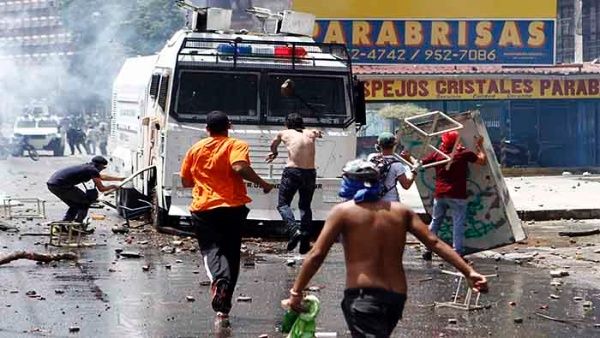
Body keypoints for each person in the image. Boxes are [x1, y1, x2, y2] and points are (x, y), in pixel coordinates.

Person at [283, 159, 489, 337]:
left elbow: (317, 254)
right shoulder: (401, 212)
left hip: (364, 297)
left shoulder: (343, 212)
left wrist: (296, 291)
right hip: (395, 298)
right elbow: (434, 243)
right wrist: (468, 271)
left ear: (351, 182)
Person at [180, 111, 274, 325]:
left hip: (203, 208)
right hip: (233, 207)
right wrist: (263, 184)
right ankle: (224, 306)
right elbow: (239, 166)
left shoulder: (195, 149)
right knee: (232, 253)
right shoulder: (236, 145)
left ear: (207, 129)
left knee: (211, 249)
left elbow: (186, 181)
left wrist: (205, 179)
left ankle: (219, 283)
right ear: (229, 126)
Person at [418, 131, 487, 260]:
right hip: (457, 195)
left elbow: (421, 164)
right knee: (458, 223)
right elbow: (482, 161)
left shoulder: (438, 154)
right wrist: (480, 146)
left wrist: (407, 157)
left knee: (435, 221)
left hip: (440, 194)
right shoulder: (463, 153)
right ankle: (457, 252)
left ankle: (427, 249)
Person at [265, 113, 322, 254]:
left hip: (292, 171)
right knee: (305, 206)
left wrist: (275, 153)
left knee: (283, 204)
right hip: (310, 173)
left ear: (287, 124)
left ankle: (293, 229)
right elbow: (318, 133)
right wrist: (315, 133)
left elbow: (273, 145)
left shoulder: (283, 133)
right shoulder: (310, 133)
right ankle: (305, 243)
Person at [47, 156, 124, 224]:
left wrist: (120, 179)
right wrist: (113, 186)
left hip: (53, 184)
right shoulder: (92, 170)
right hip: (62, 185)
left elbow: (101, 177)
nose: (102, 169)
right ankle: (78, 224)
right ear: (100, 165)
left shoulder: (88, 167)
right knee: (84, 203)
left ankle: (66, 223)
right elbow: (101, 189)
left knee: (75, 205)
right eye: (103, 168)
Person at [367, 132, 416, 202]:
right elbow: (406, 185)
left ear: (378, 145)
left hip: (374, 201)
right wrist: (415, 171)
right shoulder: (397, 164)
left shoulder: (371, 158)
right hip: (391, 202)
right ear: (394, 145)